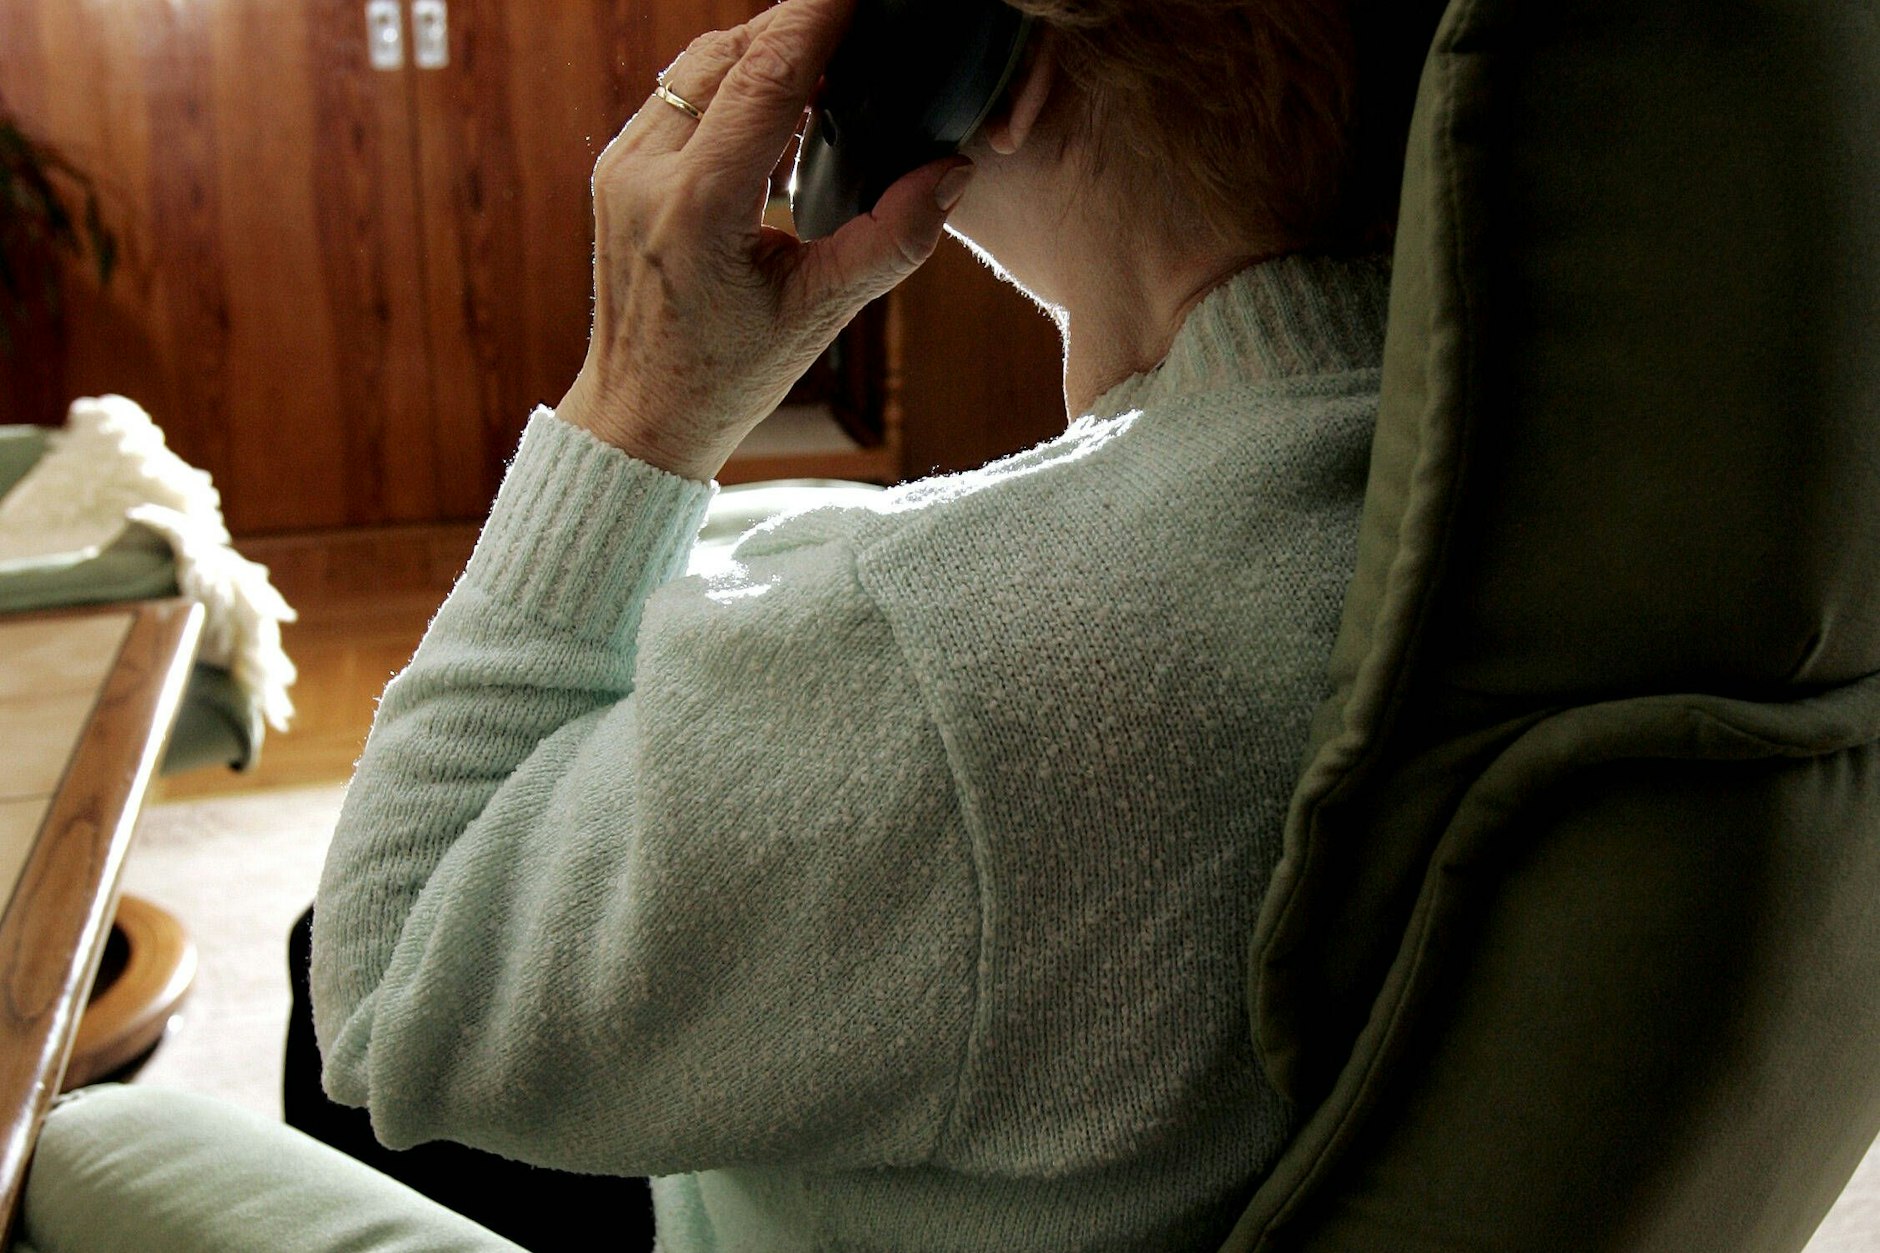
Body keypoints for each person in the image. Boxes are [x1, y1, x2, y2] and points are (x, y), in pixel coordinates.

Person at [18, 0, 1439, 1250]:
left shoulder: (945, 664)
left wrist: (640, 401)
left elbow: (382, 988)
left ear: (973, 57)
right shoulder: (1519, 499)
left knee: (140, 1098)